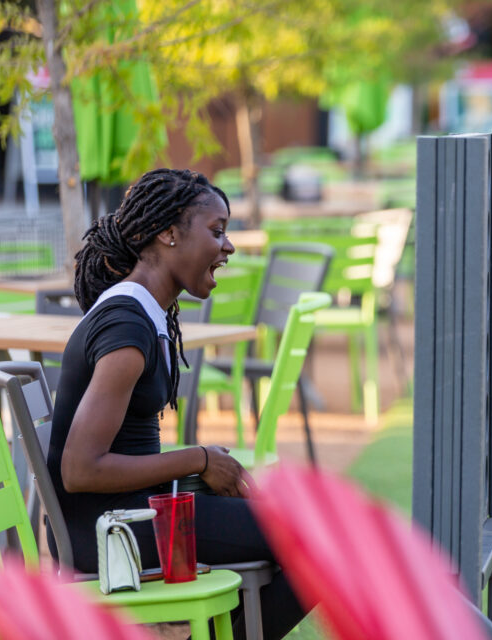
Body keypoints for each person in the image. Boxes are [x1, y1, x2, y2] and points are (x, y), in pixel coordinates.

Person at [46, 168, 306, 640]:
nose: (228, 246)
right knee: (317, 546)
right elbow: (79, 470)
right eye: (217, 231)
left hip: (133, 515)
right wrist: (198, 460)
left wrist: (202, 469)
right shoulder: (127, 329)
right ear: (168, 233)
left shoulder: (145, 314)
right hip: (112, 532)